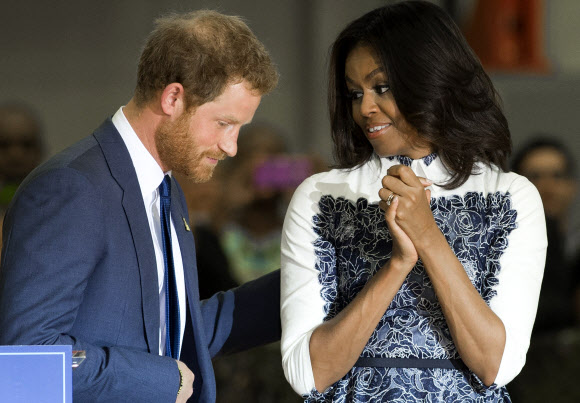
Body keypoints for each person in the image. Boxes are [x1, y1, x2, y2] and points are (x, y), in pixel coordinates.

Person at [0, 10, 280, 403]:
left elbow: (174, 330)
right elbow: (24, 364)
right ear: (173, 98)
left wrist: (309, 284)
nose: (231, 146)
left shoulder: (166, 187)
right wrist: (159, 380)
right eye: (223, 124)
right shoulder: (70, 188)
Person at [280, 2, 546, 402]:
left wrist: (427, 236)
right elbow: (307, 374)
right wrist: (396, 266)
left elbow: (498, 365)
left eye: (382, 87)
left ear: (431, 77)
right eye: (355, 93)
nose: (365, 108)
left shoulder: (510, 197)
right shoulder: (322, 197)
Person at [511, 137, 579, 334]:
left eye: (557, 176)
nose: (547, 187)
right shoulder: (500, 252)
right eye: (534, 177)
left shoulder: (574, 250)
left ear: (572, 186)